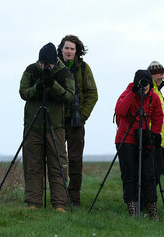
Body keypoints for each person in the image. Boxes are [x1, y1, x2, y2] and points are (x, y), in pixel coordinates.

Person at [19, 42, 75, 212]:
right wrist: (38, 87)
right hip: (33, 126)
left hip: (55, 127)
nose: (45, 67)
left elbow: (69, 97)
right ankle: (33, 202)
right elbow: (23, 92)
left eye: (49, 64)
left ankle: (59, 204)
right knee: (32, 165)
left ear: (55, 62)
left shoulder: (64, 72)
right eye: (43, 64)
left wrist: (53, 85)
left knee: (57, 165)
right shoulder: (31, 70)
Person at [115, 69, 163, 220]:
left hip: (144, 138)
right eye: (141, 83)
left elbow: (158, 118)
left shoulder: (153, 97)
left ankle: (152, 211)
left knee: (149, 176)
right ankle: (132, 208)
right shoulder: (128, 93)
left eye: (147, 83)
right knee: (129, 175)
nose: (144, 87)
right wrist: (133, 93)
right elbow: (120, 111)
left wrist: (153, 138)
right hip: (126, 138)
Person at [57, 35, 98, 206]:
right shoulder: (55, 66)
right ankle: (58, 195)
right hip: (57, 120)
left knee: (75, 159)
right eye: (66, 48)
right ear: (61, 49)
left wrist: (81, 116)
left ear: (77, 51)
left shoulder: (84, 68)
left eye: (72, 48)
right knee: (56, 158)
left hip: (76, 122)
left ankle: (74, 198)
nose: (68, 51)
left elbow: (92, 94)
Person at [147, 61, 164, 175]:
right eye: (160, 74)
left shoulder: (158, 91)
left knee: (156, 178)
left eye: (163, 74)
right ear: (151, 75)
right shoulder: (149, 91)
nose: (162, 77)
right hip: (152, 141)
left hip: (162, 142)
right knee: (151, 177)